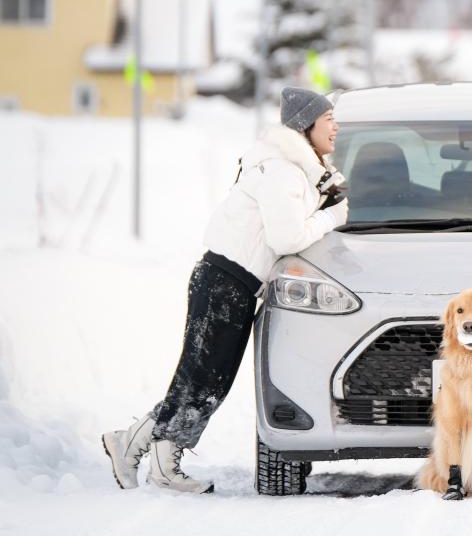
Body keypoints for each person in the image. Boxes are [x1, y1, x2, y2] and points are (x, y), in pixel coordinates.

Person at [102, 87, 349, 493]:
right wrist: (334, 216)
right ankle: (142, 452)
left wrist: (324, 196)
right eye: (328, 120)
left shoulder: (291, 168)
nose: (335, 127)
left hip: (232, 283)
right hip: (224, 282)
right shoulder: (282, 170)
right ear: (307, 126)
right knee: (202, 381)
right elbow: (287, 237)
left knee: (205, 381)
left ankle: (145, 452)